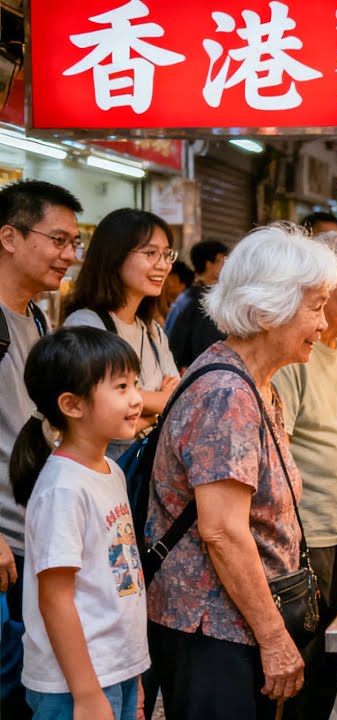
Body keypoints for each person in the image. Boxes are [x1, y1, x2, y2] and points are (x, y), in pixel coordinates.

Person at [146, 224, 337, 719]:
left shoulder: (256, 381)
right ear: (266, 309)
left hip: (235, 622)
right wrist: (274, 637)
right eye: (315, 307)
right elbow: (223, 532)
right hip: (212, 628)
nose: (323, 324)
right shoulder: (226, 395)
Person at [10, 327, 147, 720]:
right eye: (120, 387)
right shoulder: (63, 489)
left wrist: (131, 673)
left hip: (111, 669)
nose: (137, 398)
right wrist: (86, 693)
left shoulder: (109, 471)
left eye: (135, 383)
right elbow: (55, 600)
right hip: (73, 682)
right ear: (73, 405)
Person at [271, 230, 337, 720]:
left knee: (331, 653)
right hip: (302, 534)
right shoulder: (295, 356)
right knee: (300, 663)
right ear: (324, 285)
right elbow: (279, 447)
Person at [0, 180, 84, 720]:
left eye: (74, 243)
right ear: (9, 237)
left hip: (36, 534)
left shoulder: (36, 317)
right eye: (58, 240)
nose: (70, 256)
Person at [63, 209, 180, 459]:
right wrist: (159, 400)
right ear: (115, 256)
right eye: (151, 253)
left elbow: (179, 402)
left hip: (145, 477)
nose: (163, 265)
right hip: (103, 475)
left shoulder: (152, 331)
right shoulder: (87, 325)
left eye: (166, 254)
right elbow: (96, 411)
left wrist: (140, 404)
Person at [167, 240, 231, 371]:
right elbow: (204, 346)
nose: (226, 265)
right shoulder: (204, 300)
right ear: (209, 264)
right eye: (221, 261)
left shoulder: (188, 294)